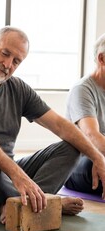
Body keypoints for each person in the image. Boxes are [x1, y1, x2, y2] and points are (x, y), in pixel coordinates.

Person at [0, 26, 105, 224]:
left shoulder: (17, 88)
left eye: (16, 61)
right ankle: (46, 202)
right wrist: (19, 177)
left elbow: (61, 125)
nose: (8, 64)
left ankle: (23, 202)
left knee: (71, 146)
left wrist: (99, 158)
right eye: (5, 53)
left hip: (4, 177)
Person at [64, 33, 105, 197]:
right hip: (80, 160)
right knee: (92, 164)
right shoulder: (82, 89)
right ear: (102, 59)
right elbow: (91, 135)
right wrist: (99, 157)